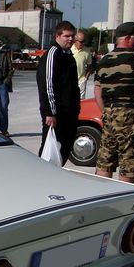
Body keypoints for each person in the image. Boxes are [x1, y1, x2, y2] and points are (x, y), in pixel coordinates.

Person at [93, 21, 134, 183]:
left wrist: (107, 112)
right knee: (129, 162)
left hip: (109, 113)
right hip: (132, 116)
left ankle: (102, 196)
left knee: (105, 160)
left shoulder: (104, 60)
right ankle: (124, 196)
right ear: (129, 38)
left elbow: (98, 92)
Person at [37, 21, 81, 166]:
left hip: (69, 113)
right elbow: (47, 84)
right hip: (57, 114)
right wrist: (50, 112)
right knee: (50, 150)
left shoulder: (68, 56)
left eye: (72, 36)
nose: (70, 39)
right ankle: (42, 179)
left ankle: (56, 176)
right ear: (57, 36)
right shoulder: (53, 54)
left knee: (64, 149)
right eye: (67, 36)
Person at [71, 30, 93, 97]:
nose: (83, 43)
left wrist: (85, 78)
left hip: (81, 81)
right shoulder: (69, 49)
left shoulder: (87, 51)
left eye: (84, 41)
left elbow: (90, 66)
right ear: (75, 40)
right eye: (81, 42)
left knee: (81, 103)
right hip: (69, 81)